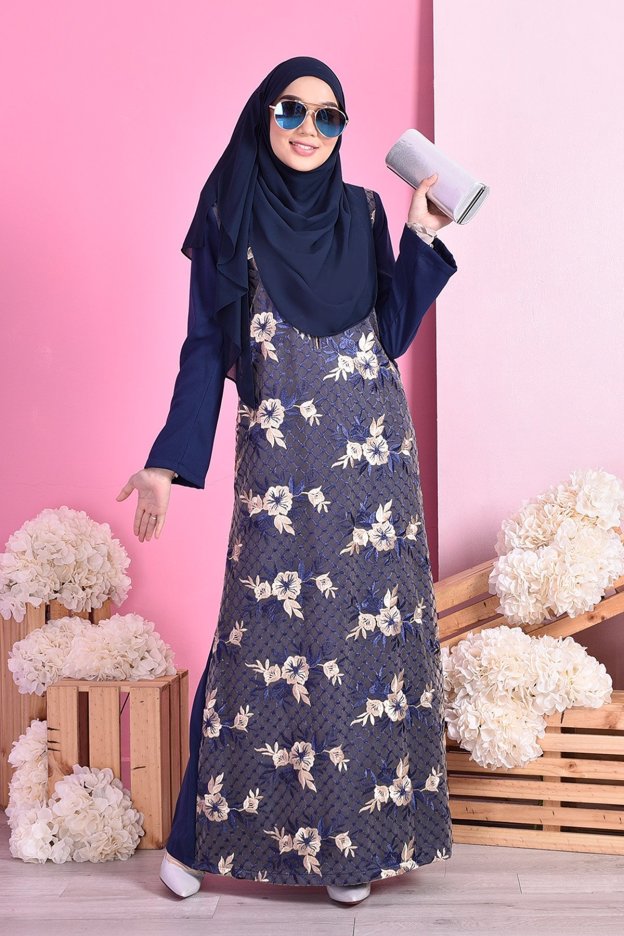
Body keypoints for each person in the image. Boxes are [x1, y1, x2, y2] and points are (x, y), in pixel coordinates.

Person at [116, 56, 458, 905]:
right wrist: (167, 461)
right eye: (292, 110)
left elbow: (389, 332)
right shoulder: (229, 212)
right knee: (258, 645)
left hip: (374, 467)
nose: (310, 129)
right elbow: (206, 346)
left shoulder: (363, 211)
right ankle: (195, 840)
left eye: (328, 116)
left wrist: (419, 235)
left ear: (343, 130)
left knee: (364, 647)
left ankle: (352, 851)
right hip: (283, 468)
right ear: (263, 115)